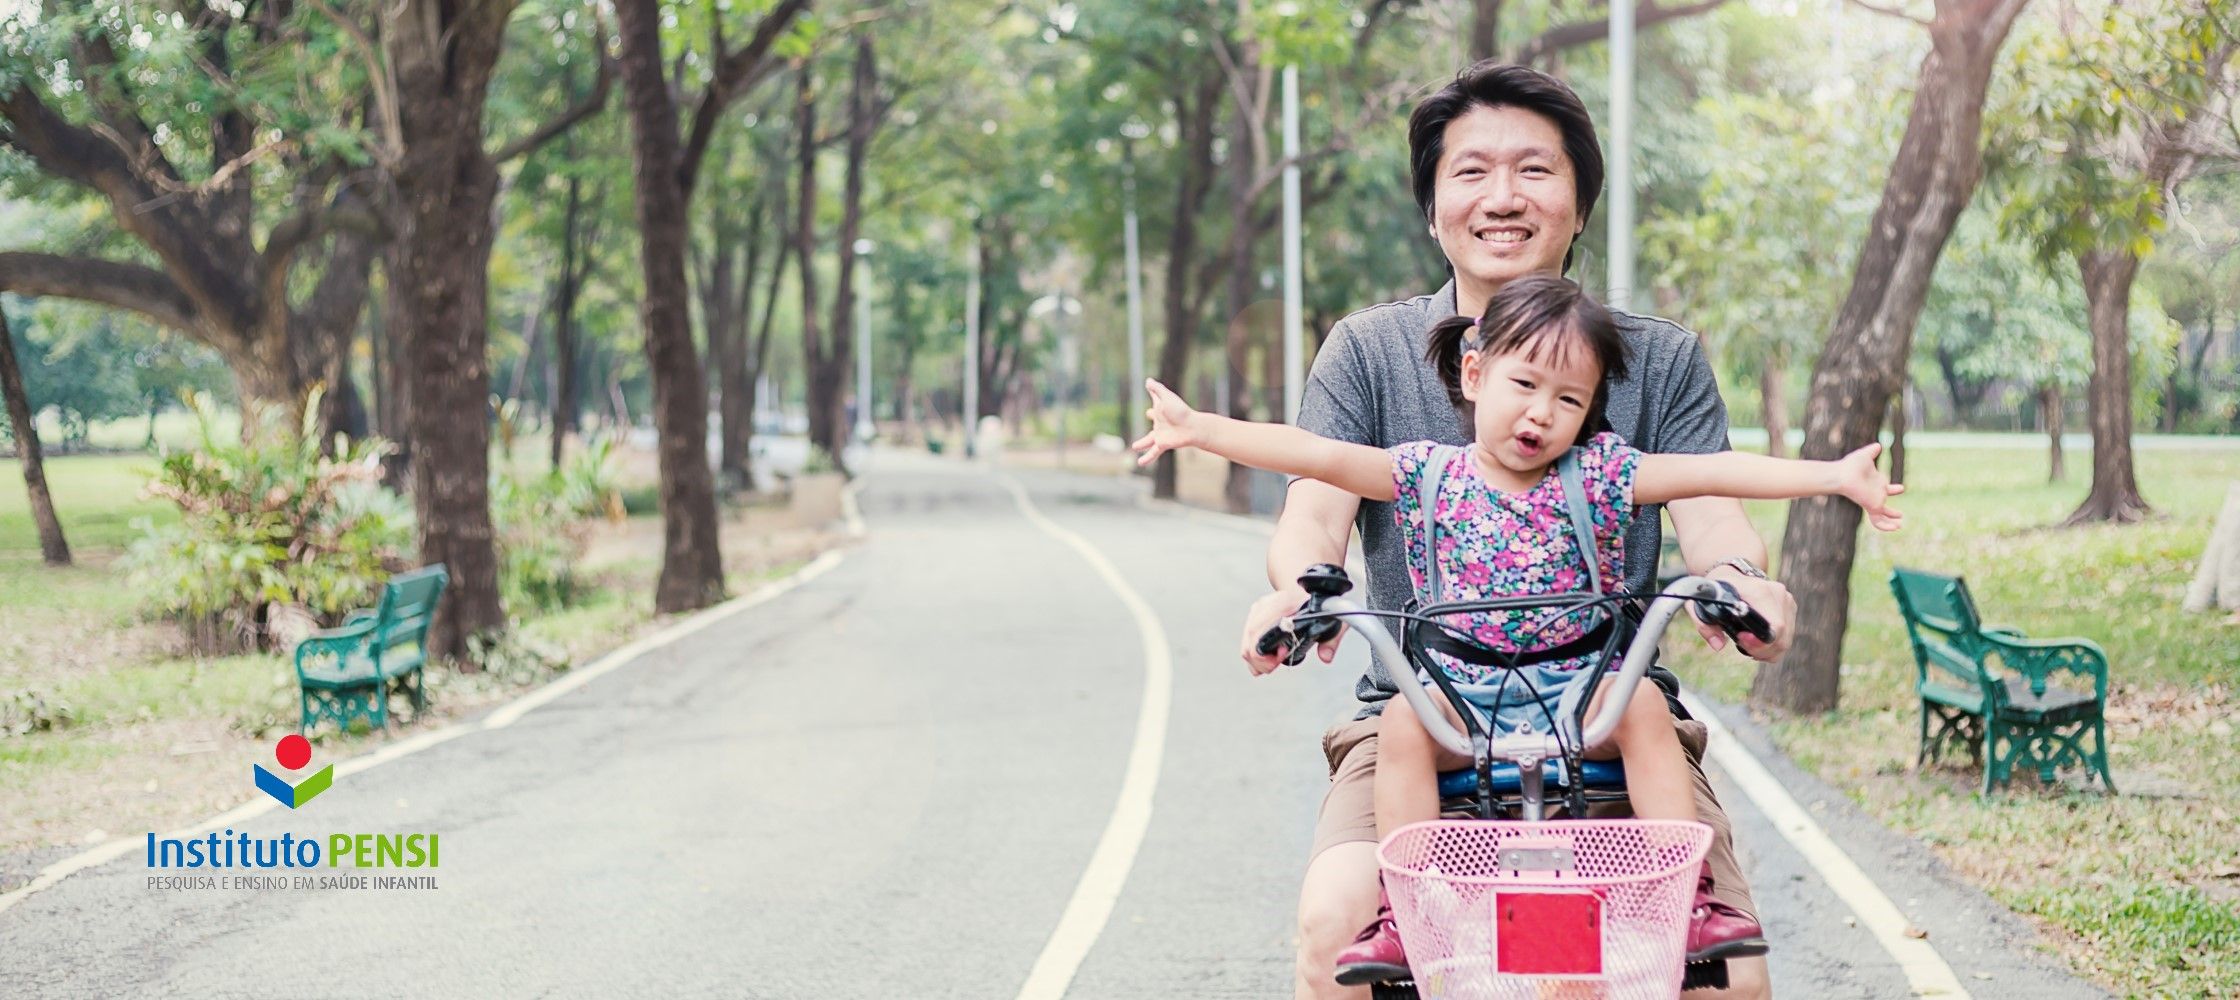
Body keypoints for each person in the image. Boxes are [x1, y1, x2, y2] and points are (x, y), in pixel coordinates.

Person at [1136, 275, 1903, 983]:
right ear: (1474, 374)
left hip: (1580, 697)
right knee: (1402, 721)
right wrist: (1199, 429)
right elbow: (1317, 454)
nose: (1542, 413)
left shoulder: (1602, 476)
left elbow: (1715, 472)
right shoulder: (1423, 474)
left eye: (1569, 399)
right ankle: (1409, 909)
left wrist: (1833, 477)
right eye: (1525, 385)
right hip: (1459, 701)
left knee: (1642, 704)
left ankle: (1686, 895)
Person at [1244, 62, 1799, 1000]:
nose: (1503, 198)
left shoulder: (1659, 357)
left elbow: (1716, 520)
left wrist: (1744, 584)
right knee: (1335, 927)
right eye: (1471, 172)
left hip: (1609, 718)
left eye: (1535, 170)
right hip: (1417, 719)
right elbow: (1314, 515)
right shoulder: (1368, 352)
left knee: (1727, 978)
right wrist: (1300, 593)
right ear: (1433, 211)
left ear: (1580, 206)